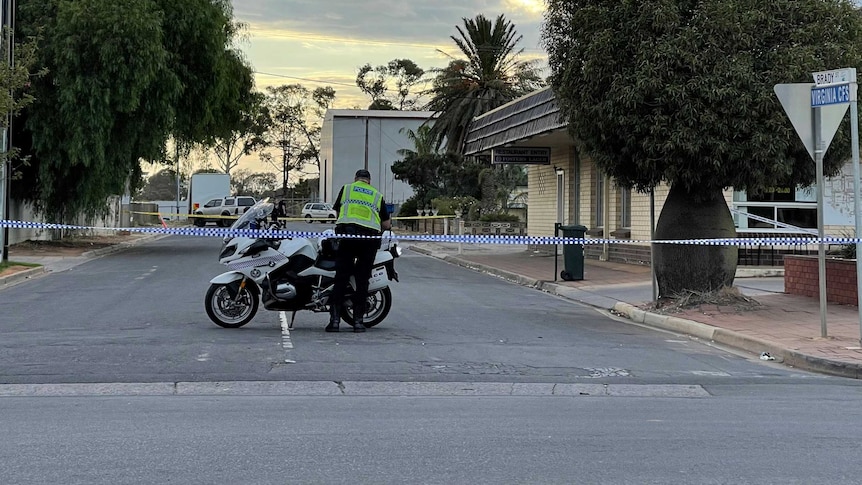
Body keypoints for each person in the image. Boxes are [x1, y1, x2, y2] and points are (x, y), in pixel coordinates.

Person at [326, 168, 391, 333]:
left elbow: (338, 211)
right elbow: (386, 225)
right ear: (369, 180)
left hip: (347, 238)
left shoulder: (347, 189)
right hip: (368, 241)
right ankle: (358, 322)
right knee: (362, 281)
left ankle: (334, 322)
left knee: (341, 278)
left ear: (356, 179)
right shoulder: (376, 195)